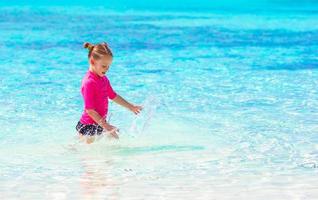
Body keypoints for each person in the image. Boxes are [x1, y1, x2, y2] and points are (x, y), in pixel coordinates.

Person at [76, 42, 142, 144]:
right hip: (88, 127)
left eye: (108, 66)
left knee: (111, 150)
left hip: (100, 124)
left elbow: (112, 95)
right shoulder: (89, 82)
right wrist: (107, 127)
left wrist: (131, 107)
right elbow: (90, 110)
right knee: (87, 157)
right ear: (92, 62)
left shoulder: (103, 79)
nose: (107, 69)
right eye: (104, 66)